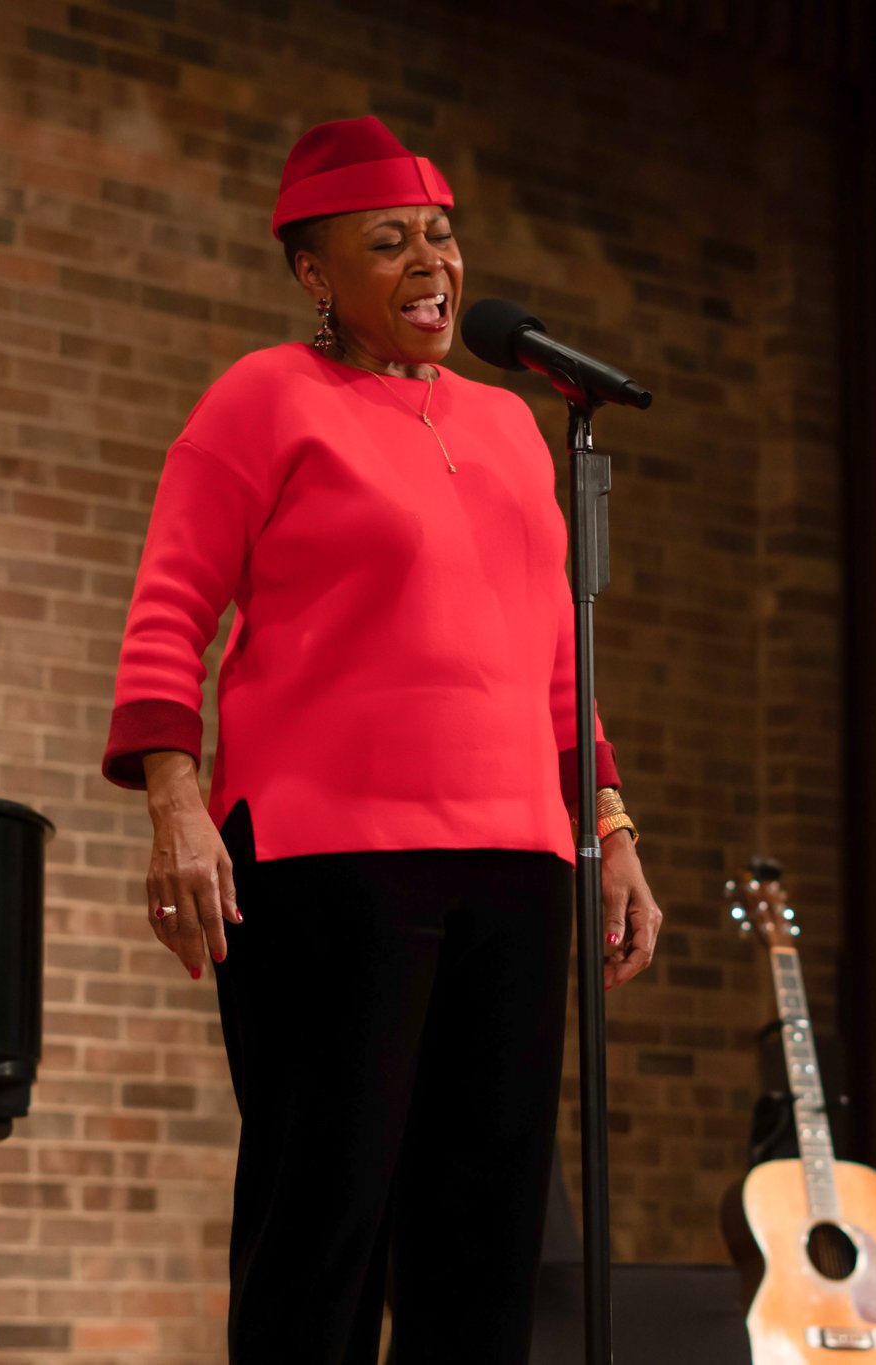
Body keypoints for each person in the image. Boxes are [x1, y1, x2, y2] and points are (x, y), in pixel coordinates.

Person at [101, 116, 664, 1364]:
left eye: (441, 235)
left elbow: (556, 656)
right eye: (388, 241)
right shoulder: (262, 398)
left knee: (484, 1245)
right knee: (324, 1228)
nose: (430, 262)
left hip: (517, 864)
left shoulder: (513, 423)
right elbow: (170, 608)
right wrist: (175, 806)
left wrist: (610, 830)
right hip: (328, 863)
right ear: (315, 273)